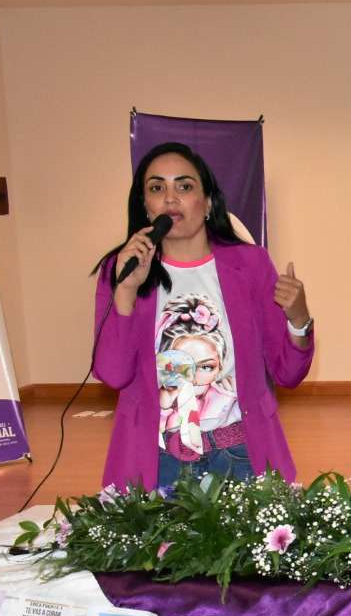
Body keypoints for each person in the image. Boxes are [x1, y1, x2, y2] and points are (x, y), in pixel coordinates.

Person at [92, 142, 315, 491]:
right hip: (157, 459)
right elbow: (114, 374)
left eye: (184, 186)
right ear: (145, 206)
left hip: (240, 455)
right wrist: (126, 291)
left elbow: (288, 373)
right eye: (156, 188)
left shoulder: (251, 265)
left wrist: (298, 320)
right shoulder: (121, 269)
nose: (170, 198)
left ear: (208, 202)